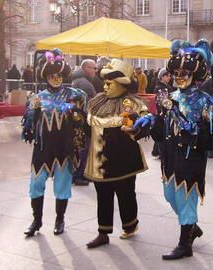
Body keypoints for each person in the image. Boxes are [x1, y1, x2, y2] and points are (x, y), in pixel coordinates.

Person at [134, 39, 213, 260]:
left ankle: (185, 244)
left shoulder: (206, 102)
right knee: (170, 195)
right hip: (169, 156)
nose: (179, 76)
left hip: (191, 159)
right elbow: (161, 128)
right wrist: (148, 123)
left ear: (196, 74)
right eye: (176, 72)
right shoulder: (170, 97)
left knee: (186, 197)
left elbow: (210, 138)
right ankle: (191, 227)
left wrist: (180, 118)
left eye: (185, 72)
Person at [22, 49, 87, 237]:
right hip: (43, 148)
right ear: (46, 77)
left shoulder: (75, 94)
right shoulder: (38, 96)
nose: (56, 79)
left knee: (62, 184)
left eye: (59, 75)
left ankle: (60, 219)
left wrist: (76, 112)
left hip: (64, 147)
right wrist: (32, 111)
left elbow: (83, 118)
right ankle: (37, 220)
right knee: (36, 183)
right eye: (52, 76)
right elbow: (29, 125)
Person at [84, 59, 149, 248]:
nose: (105, 87)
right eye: (104, 83)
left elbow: (145, 124)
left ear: (122, 85)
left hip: (124, 160)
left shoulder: (133, 103)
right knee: (103, 196)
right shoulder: (96, 101)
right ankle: (103, 232)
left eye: (109, 84)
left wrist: (136, 124)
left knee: (126, 194)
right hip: (99, 159)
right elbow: (88, 127)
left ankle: (130, 225)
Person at [71, 59, 97, 185]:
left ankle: (82, 173)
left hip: (80, 119)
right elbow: (88, 104)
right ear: (86, 68)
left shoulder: (80, 80)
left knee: (83, 147)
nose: (95, 70)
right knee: (83, 148)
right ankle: (78, 174)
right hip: (84, 120)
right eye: (93, 68)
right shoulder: (84, 83)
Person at [151, 67, 173, 157]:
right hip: (162, 115)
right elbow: (164, 104)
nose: (169, 78)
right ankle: (161, 152)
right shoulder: (160, 88)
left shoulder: (166, 87)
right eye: (168, 76)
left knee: (162, 134)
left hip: (166, 115)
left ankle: (157, 151)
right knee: (162, 134)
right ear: (162, 76)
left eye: (170, 76)